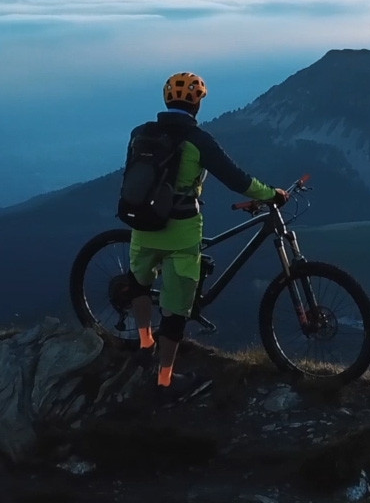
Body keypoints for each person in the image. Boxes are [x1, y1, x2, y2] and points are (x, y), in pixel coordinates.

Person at [122, 71, 287, 399]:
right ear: (196, 104)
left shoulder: (140, 133)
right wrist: (271, 194)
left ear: (167, 100)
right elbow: (237, 180)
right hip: (181, 231)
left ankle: (143, 342)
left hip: (142, 223)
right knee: (175, 311)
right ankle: (165, 382)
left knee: (137, 283)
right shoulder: (200, 142)